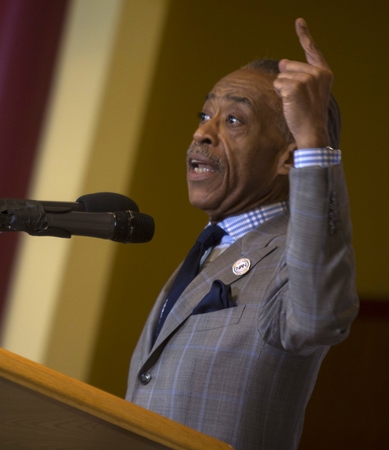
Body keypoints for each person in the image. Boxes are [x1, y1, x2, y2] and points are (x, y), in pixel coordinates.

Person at [126, 18, 358, 450]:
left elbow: (319, 317)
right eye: (204, 115)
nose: (202, 133)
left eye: (233, 119)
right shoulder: (209, 250)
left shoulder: (292, 257)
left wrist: (314, 139)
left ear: (289, 158)